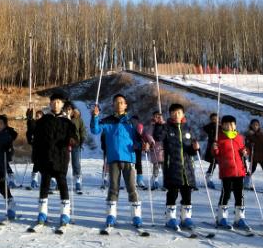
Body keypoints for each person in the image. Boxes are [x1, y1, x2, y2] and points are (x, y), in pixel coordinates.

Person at [91, 93, 145, 229]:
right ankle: (111, 214)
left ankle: (136, 215)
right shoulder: (108, 120)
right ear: (113, 105)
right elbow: (95, 129)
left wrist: (140, 145)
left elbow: (139, 140)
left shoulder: (132, 122)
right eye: (116, 102)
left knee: (132, 187)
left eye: (121, 102)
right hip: (113, 158)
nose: (119, 104)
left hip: (128, 158)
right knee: (113, 187)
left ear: (126, 105)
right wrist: (95, 116)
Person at [27, 92, 78, 227]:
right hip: (46, 157)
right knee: (45, 184)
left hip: (61, 157)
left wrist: (72, 140)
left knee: (62, 184)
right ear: (50, 104)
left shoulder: (67, 122)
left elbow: (74, 137)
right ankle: (42, 212)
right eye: (53, 102)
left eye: (58, 102)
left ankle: (65, 213)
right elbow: (34, 137)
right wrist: (30, 121)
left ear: (62, 104)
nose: (56, 104)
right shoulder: (43, 120)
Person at [155, 103, 198, 230]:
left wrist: (195, 149)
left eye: (179, 112)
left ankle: (186, 218)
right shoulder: (166, 127)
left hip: (187, 168)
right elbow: (158, 137)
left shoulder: (188, 129)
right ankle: (171, 218)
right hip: (172, 166)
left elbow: (191, 150)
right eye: (173, 112)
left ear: (183, 114)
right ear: (170, 114)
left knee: (187, 193)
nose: (176, 115)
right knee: (172, 193)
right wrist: (159, 125)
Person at [213, 114, 250, 230]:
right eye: (226, 124)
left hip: (239, 171)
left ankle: (240, 218)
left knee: (240, 194)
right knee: (226, 193)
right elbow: (215, 155)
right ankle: (222, 217)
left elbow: (244, 151)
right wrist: (215, 148)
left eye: (231, 124)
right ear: (222, 125)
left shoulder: (239, 137)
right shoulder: (219, 138)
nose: (229, 126)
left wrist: (245, 151)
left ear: (235, 125)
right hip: (226, 170)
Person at [245, 119, 263, 192]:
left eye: (257, 125)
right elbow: (246, 145)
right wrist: (250, 145)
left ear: (259, 126)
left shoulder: (262, 134)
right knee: (251, 170)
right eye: (254, 124)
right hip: (254, 156)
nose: (255, 126)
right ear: (251, 125)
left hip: (262, 156)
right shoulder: (249, 134)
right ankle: (245, 183)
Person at [68, 106, 87, 194]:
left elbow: (82, 130)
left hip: (75, 143)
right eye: (67, 110)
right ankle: (58, 181)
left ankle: (78, 180)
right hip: (64, 143)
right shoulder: (65, 118)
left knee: (75, 162)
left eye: (70, 110)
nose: (70, 112)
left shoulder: (79, 120)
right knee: (62, 162)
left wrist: (82, 139)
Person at [200, 112, 220, 188]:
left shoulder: (221, 127)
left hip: (220, 147)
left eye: (216, 118)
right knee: (213, 162)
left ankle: (225, 180)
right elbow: (205, 128)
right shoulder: (209, 127)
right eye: (213, 119)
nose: (215, 120)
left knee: (222, 163)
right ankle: (208, 178)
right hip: (212, 147)